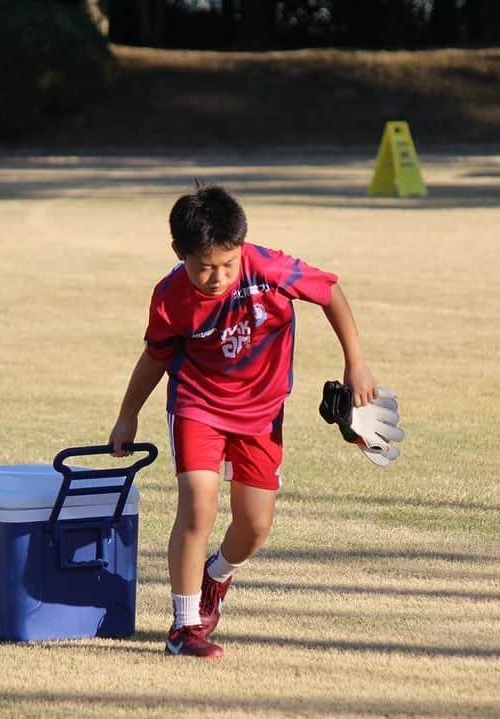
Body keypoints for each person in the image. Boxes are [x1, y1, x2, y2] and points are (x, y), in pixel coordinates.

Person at [107, 184, 378, 660]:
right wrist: (128, 415)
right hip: (198, 406)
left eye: (227, 265)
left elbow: (330, 292)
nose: (217, 277)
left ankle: (217, 575)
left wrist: (355, 361)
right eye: (205, 267)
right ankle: (184, 626)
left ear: (241, 248)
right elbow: (154, 358)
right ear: (179, 252)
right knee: (199, 507)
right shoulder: (171, 297)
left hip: (262, 412)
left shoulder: (268, 268)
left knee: (254, 524)